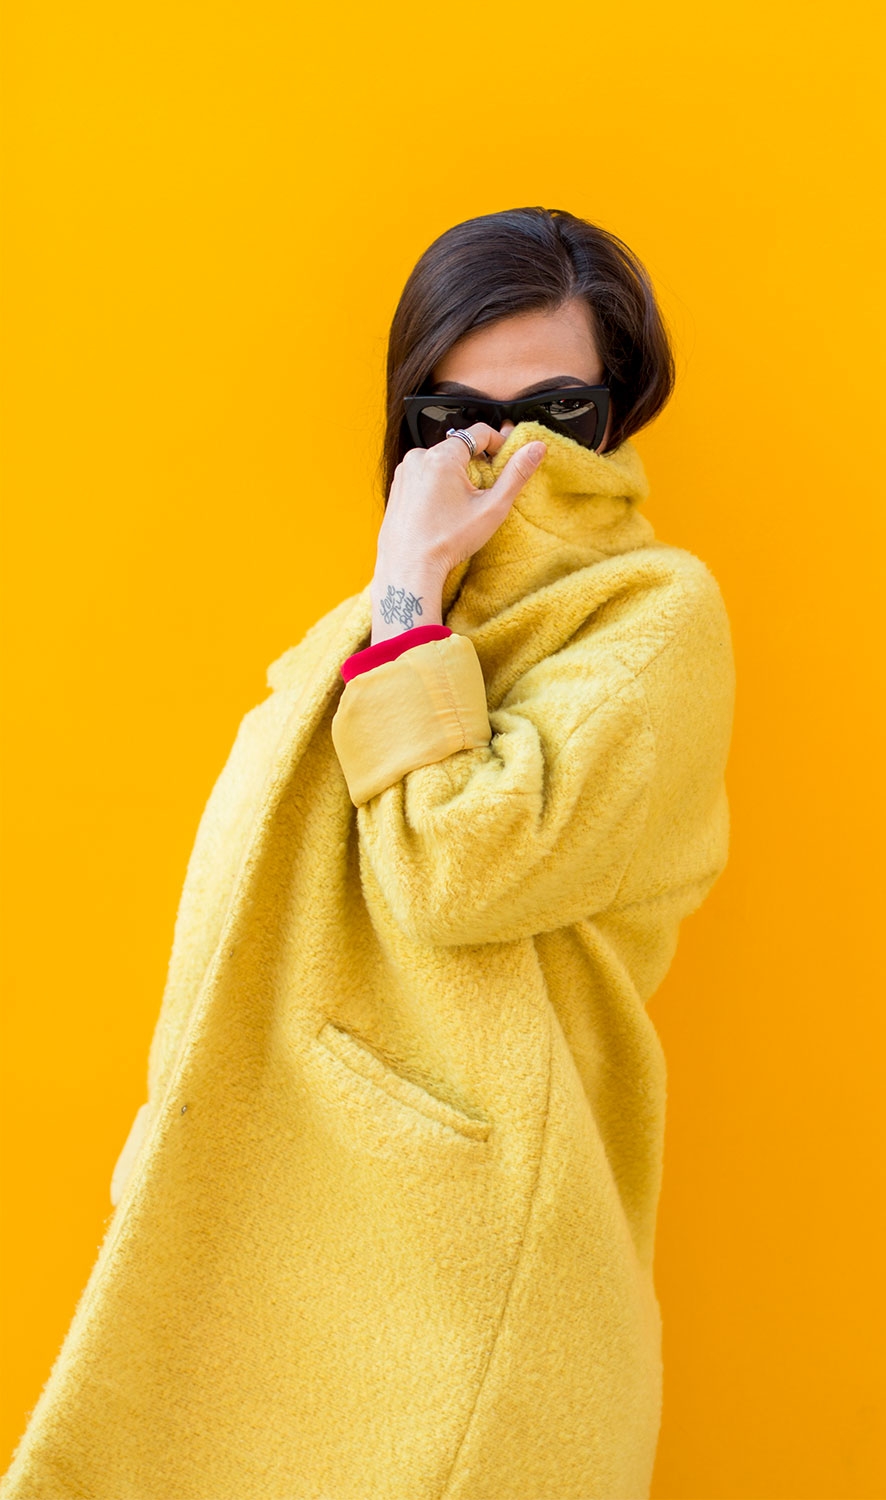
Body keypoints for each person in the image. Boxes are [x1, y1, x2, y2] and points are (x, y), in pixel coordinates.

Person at [0, 207, 735, 1500]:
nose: (504, 456)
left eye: (555, 411)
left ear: (619, 414)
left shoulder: (652, 622)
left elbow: (458, 869)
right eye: (452, 420)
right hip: (269, 1261)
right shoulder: (371, 621)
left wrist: (408, 596)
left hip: (471, 1309)